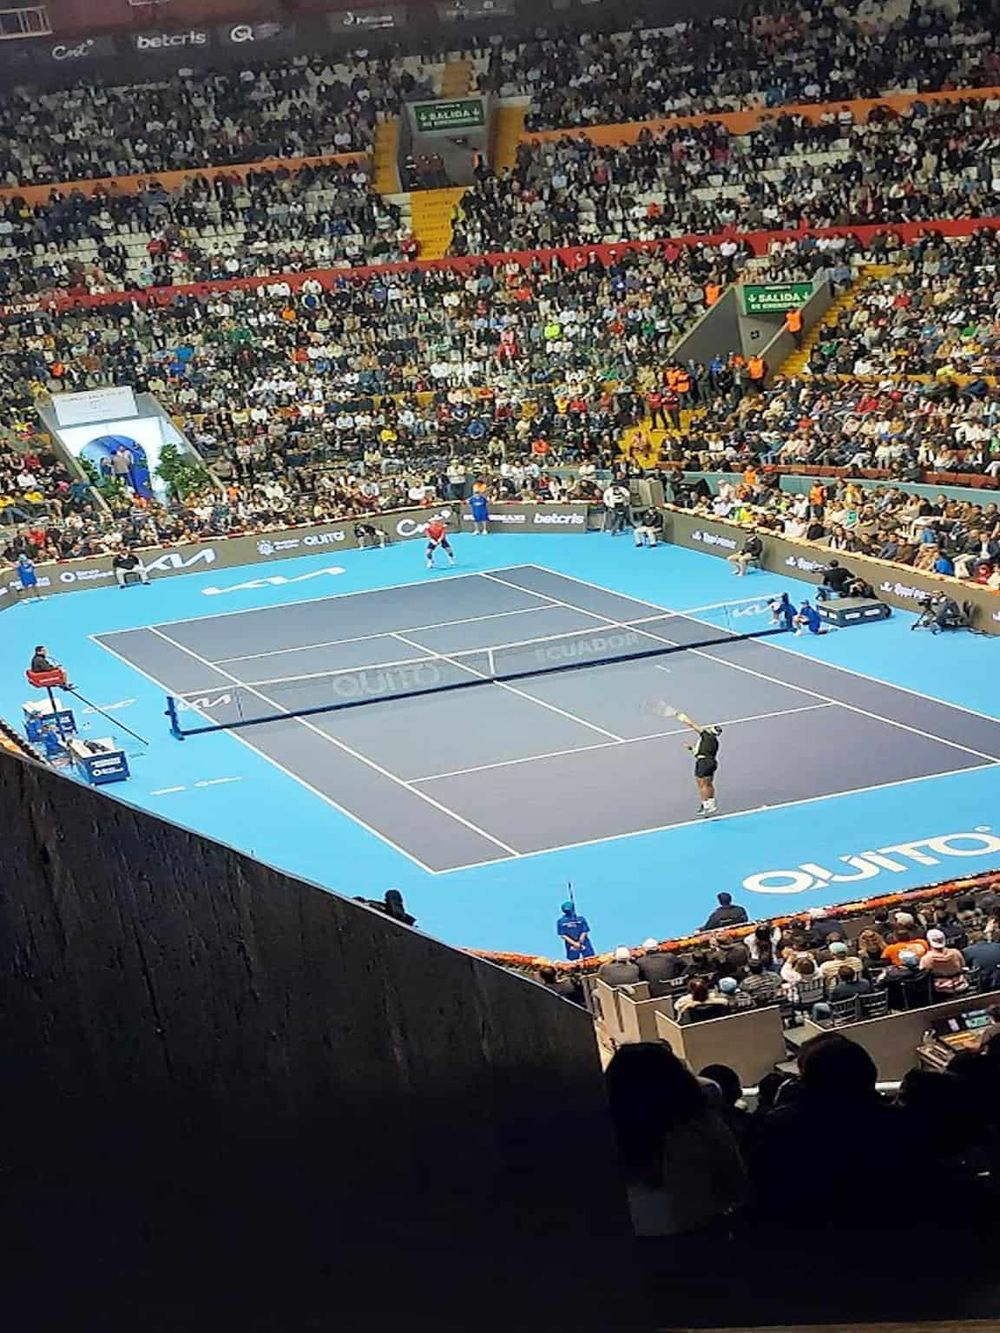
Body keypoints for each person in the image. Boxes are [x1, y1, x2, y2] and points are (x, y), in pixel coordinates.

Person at [604, 1042, 747, 1237]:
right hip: (702, 1236)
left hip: (630, 1248)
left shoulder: (599, 1136)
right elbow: (735, 1181)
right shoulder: (699, 1124)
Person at [676, 711, 722, 816]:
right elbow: (700, 753)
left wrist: (683, 718)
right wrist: (690, 748)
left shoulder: (706, 735)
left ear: (711, 731)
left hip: (703, 763)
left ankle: (705, 806)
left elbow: (693, 725)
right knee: (709, 784)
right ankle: (711, 804)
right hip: (712, 763)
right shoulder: (715, 743)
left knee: (702, 785)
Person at [919, 928, 969, 995]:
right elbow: (963, 966)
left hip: (941, 990)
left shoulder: (927, 958)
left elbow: (923, 975)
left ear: (928, 942)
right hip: (961, 985)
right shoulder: (956, 952)